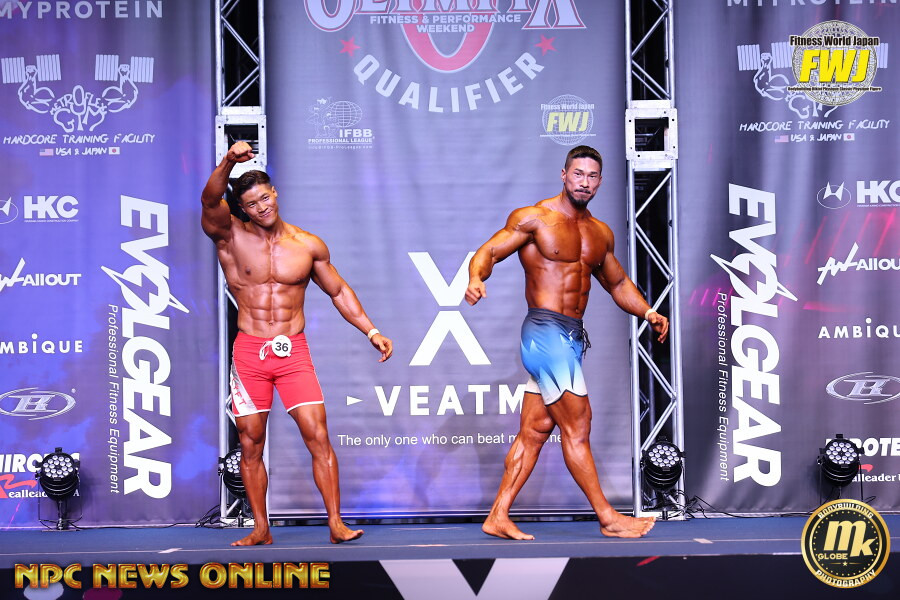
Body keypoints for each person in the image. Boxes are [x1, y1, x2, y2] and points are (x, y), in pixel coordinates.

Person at [466, 145, 669, 540]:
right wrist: (476, 277)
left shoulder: (599, 233)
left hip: (572, 337)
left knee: (536, 430)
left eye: (592, 176)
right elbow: (489, 251)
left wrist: (648, 312)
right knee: (578, 425)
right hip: (545, 332)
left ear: (600, 182)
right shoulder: (535, 218)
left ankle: (498, 515)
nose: (584, 182)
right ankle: (608, 517)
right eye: (578, 174)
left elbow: (617, 283)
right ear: (564, 175)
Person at [201, 141, 393, 546]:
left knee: (317, 435)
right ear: (242, 209)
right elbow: (209, 199)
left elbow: (338, 291)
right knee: (251, 442)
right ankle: (260, 528)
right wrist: (228, 161)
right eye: (251, 204)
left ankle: (336, 524)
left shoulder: (307, 245)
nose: (261, 207)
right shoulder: (229, 235)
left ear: (275, 193)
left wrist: (371, 331)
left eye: (265, 198)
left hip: (293, 353)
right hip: (250, 354)